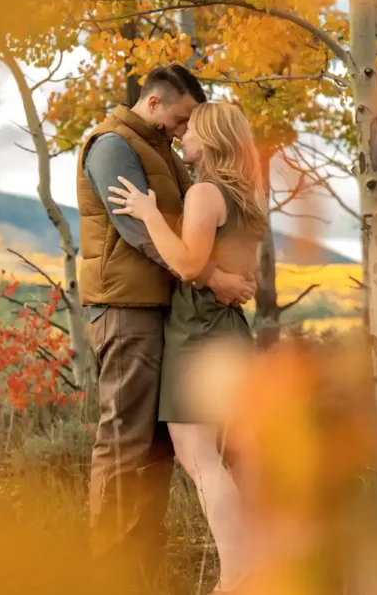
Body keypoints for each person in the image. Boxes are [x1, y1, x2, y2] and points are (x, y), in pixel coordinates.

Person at [75, 65, 257, 588]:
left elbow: (193, 227)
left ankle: (142, 564)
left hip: (168, 314)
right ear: (154, 102)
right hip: (126, 309)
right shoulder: (111, 145)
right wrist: (214, 276)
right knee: (123, 442)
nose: (181, 131)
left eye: (188, 125)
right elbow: (139, 231)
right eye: (179, 119)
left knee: (157, 448)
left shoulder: (164, 154)